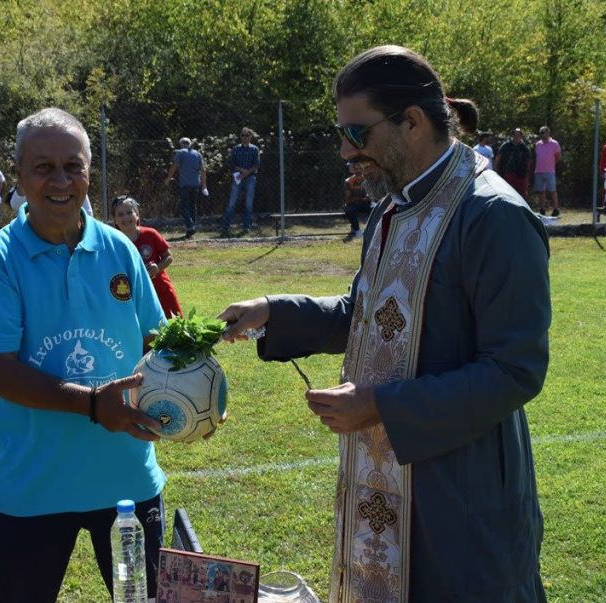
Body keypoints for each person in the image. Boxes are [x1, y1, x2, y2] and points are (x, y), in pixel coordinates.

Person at [220, 45, 549, 602]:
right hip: (384, 484)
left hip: (460, 497)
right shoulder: (391, 207)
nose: (344, 151)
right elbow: (364, 314)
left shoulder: (494, 215)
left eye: (357, 132)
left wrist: (381, 406)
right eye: (340, 131)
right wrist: (274, 311)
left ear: (412, 122)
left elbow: (514, 371)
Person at [0, 108, 169, 602]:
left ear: (89, 172)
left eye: (73, 166)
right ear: (18, 175)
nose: (60, 180)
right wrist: (95, 403)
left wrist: (195, 386)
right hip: (32, 490)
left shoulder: (121, 250)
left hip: (127, 482)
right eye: (43, 167)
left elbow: (154, 341)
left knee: (138, 602)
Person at [112, 195, 183, 318]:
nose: (126, 217)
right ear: (115, 220)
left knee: (174, 323)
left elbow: (168, 257)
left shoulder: (150, 234)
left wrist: (157, 267)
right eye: (120, 214)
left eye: (129, 212)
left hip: (160, 288)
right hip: (134, 293)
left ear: (137, 214)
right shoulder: (114, 242)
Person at [220, 127, 260, 236]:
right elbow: (231, 164)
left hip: (250, 178)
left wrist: (247, 172)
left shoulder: (254, 149)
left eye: (247, 135)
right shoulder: (236, 149)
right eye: (242, 135)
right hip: (238, 178)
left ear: (250, 136)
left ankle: (246, 227)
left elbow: (256, 164)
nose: (244, 137)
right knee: (232, 202)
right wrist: (242, 171)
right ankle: (225, 227)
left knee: (248, 204)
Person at [165, 137, 206, 238]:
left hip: (184, 184)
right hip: (196, 184)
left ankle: (190, 226)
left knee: (183, 207)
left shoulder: (180, 153)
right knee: (192, 206)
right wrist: (204, 184)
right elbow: (203, 170)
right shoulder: (197, 153)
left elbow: (174, 166)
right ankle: (191, 229)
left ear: (181, 144)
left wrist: (168, 178)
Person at [533, 126, 562, 217]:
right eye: (540, 132)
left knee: (552, 191)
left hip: (549, 171)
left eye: (543, 132)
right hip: (539, 171)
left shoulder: (554, 143)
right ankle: (542, 209)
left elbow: (558, 157)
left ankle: (556, 209)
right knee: (541, 191)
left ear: (548, 133)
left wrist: (552, 164)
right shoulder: (538, 144)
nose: (541, 134)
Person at [494, 127, 531, 197]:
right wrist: (496, 171)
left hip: (521, 174)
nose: (516, 137)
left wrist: (527, 175)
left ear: (521, 136)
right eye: (515, 135)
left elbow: (528, 162)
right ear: (512, 136)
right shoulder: (505, 146)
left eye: (518, 135)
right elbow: (498, 159)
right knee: (507, 192)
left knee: (522, 194)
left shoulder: (524, 148)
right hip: (507, 173)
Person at [342, 159, 371, 238]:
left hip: (366, 203)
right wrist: (360, 199)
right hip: (354, 204)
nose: (358, 171)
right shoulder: (348, 181)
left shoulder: (368, 179)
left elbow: (371, 195)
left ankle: (372, 230)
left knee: (376, 207)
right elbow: (348, 199)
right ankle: (357, 230)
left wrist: (368, 198)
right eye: (356, 168)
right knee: (349, 210)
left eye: (360, 168)